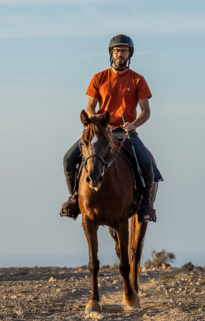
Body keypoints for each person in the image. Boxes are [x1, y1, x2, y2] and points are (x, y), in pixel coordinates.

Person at [60, 34, 157, 222]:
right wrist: (96, 120)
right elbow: (90, 107)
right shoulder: (99, 78)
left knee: (147, 163)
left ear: (130, 54)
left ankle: (146, 204)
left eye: (124, 51)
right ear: (111, 53)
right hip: (100, 130)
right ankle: (74, 198)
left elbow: (145, 111)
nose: (121, 54)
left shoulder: (138, 80)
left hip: (124, 131)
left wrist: (134, 124)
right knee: (68, 159)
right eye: (117, 50)